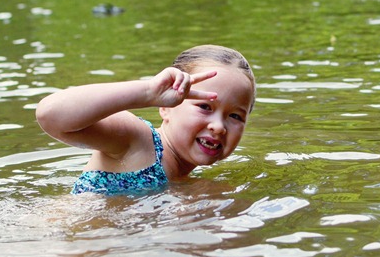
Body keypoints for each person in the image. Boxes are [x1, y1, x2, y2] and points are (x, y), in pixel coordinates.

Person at [35, 45, 256, 195]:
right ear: (166, 107)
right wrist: (148, 92)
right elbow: (50, 114)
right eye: (204, 107)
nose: (218, 127)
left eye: (235, 116)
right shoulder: (137, 140)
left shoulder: (191, 184)